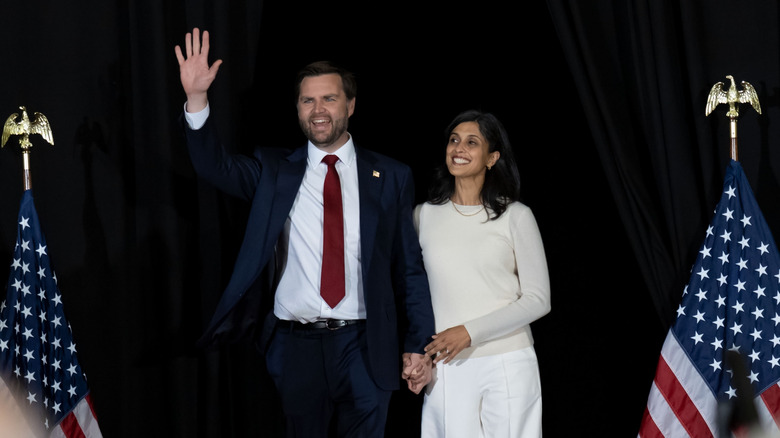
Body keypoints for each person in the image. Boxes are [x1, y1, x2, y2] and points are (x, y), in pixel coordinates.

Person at [174, 28, 435, 437]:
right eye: (307, 100)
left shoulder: (392, 176)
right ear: (297, 109)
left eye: (329, 98)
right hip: (295, 347)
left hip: (366, 347)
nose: (318, 109)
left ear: (350, 104)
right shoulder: (274, 170)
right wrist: (196, 98)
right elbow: (214, 167)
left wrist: (419, 343)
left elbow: (409, 269)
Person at [414, 110, 551, 437]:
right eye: (454, 140)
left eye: (471, 142)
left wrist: (469, 332)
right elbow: (412, 293)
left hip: (508, 362)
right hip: (447, 365)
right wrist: (418, 354)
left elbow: (538, 299)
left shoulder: (515, 216)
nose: (458, 148)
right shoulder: (423, 216)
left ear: (492, 157)